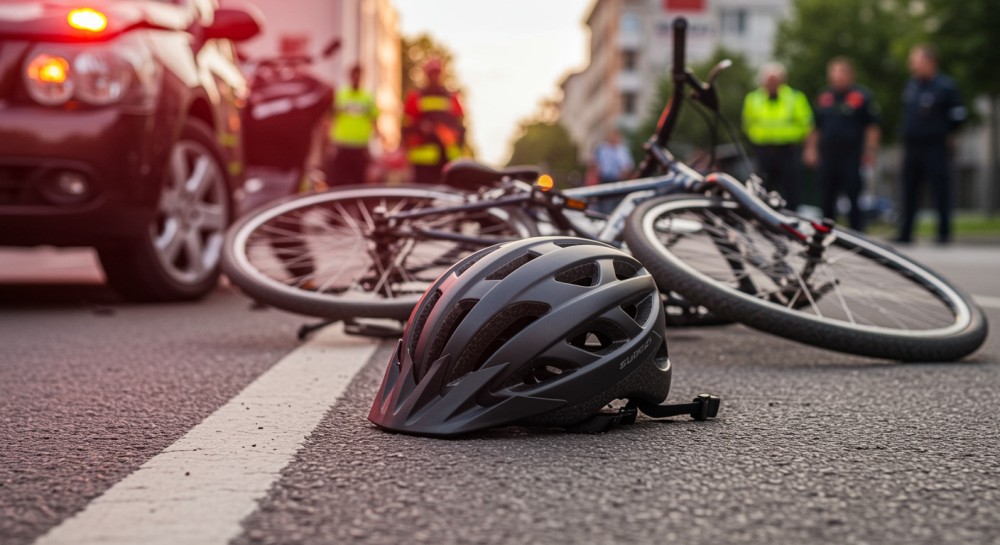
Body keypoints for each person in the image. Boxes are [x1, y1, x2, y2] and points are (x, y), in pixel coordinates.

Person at [896, 44, 967, 245]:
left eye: (916, 61)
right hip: (912, 146)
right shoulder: (912, 85)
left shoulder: (946, 86)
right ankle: (906, 233)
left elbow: (958, 116)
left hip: (935, 145)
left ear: (929, 62)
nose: (912, 65)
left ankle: (943, 233)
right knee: (909, 190)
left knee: (940, 189)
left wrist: (947, 134)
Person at [803, 57, 881, 231]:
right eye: (833, 73)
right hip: (828, 155)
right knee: (826, 196)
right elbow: (815, 126)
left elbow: (872, 126)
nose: (837, 77)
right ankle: (825, 231)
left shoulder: (861, 96)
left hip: (852, 154)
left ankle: (857, 232)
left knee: (854, 195)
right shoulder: (825, 96)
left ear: (850, 74)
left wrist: (870, 151)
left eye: (841, 73)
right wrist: (811, 149)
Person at [742, 62, 813, 210]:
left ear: (782, 80)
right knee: (762, 188)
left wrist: (808, 147)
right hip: (763, 150)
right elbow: (747, 123)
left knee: (792, 189)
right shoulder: (753, 98)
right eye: (769, 80)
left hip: (788, 150)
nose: (772, 84)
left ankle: (792, 217)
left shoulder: (795, 97)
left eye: (775, 80)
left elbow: (807, 124)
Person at [402, 58, 466, 184]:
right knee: (422, 192)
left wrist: (449, 136)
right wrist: (421, 127)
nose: (434, 77)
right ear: (426, 75)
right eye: (432, 73)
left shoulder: (451, 97)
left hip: (446, 157)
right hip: (423, 160)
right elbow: (407, 126)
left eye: (437, 73)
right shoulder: (416, 97)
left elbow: (460, 126)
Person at [327, 64, 379, 186]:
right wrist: (328, 140)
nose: (356, 78)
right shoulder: (341, 96)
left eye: (358, 76)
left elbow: (374, 119)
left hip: (360, 145)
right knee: (338, 181)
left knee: (358, 182)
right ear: (350, 76)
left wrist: (377, 137)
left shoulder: (367, 97)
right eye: (354, 75)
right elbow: (329, 117)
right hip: (342, 144)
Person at [591, 129, 634, 212]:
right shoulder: (601, 148)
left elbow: (628, 166)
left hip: (618, 181)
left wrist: (624, 174)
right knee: (604, 205)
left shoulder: (622, 150)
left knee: (617, 206)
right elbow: (594, 163)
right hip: (604, 180)